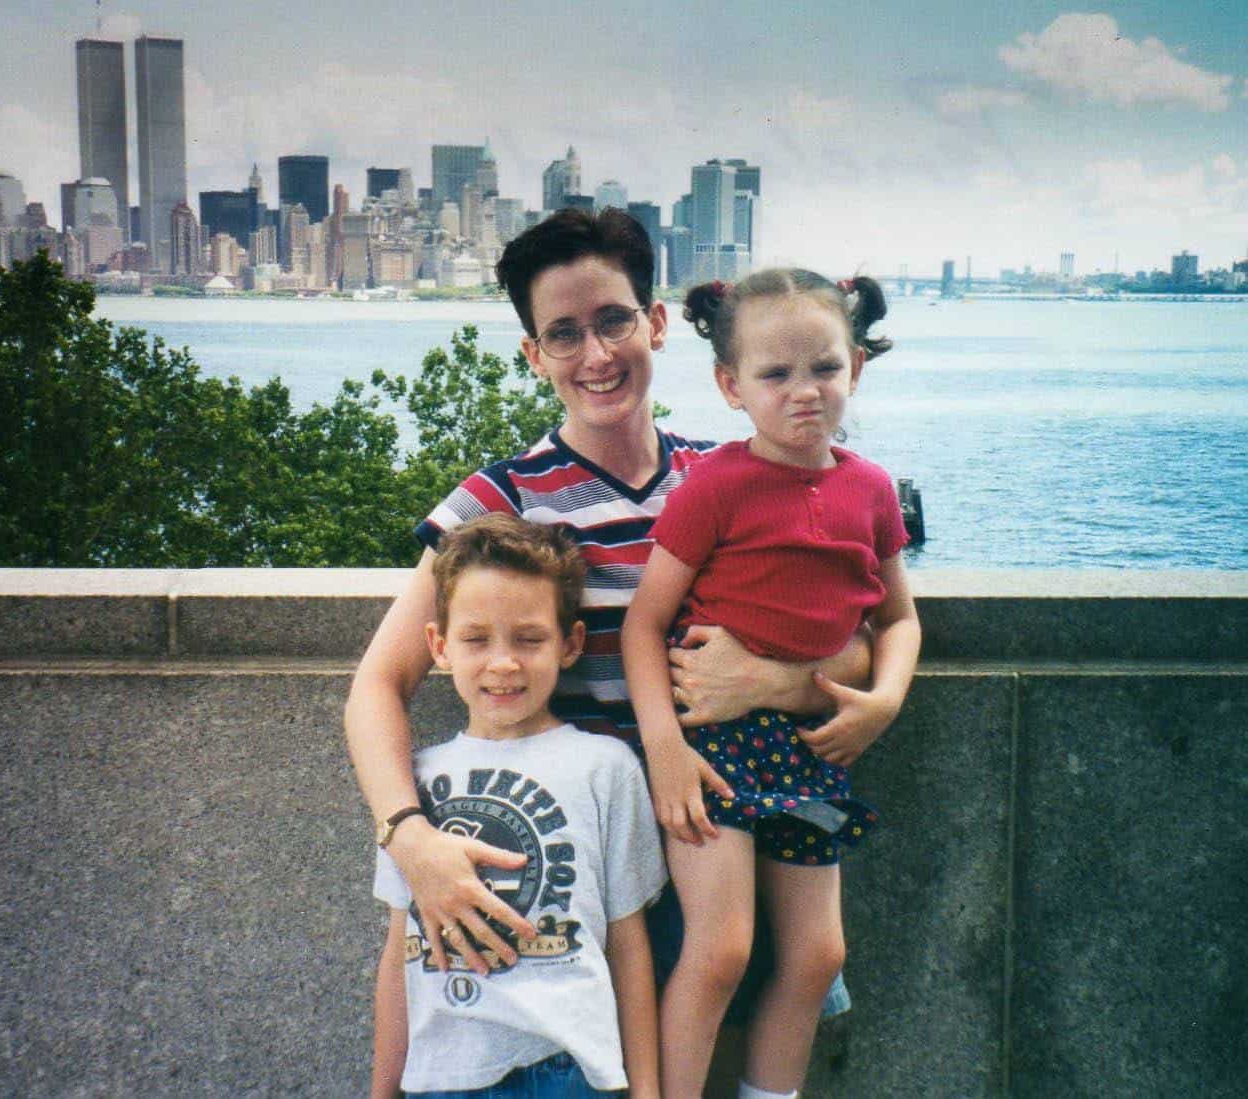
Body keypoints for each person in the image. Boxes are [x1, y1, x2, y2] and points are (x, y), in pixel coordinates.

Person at [347, 209, 871, 1097]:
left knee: (765, 994)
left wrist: (779, 681)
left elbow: (851, 634)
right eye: (563, 334)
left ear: (656, 322)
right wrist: (412, 840)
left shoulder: (737, 471)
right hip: (583, 853)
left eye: (613, 320)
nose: (595, 354)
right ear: (533, 355)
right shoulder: (498, 500)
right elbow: (377, 684)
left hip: (720, 819)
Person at [621, 269, 921, 1099]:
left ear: (854, 367)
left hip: (812, 746)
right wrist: (666, 749)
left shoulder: (870, 491)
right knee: (719, 950)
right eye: (774, 374)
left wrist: (885, 699)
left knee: (819, 954)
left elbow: (897, 619)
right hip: (711, 745)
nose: (803, 393)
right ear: (730, 385)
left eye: (823, 368)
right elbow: (644, 624)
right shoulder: (713, 486)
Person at [374, 514, 665, 1097]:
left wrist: (646, 1089)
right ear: (440, 646)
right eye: (477, 639)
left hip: (574, 1067)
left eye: (529, 639)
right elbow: (398, 952)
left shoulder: (606, 768)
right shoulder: (414, 782)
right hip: (446, 1073)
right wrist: (384, 1089)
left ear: (570, 645)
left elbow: (629, 945)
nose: (503, 663)